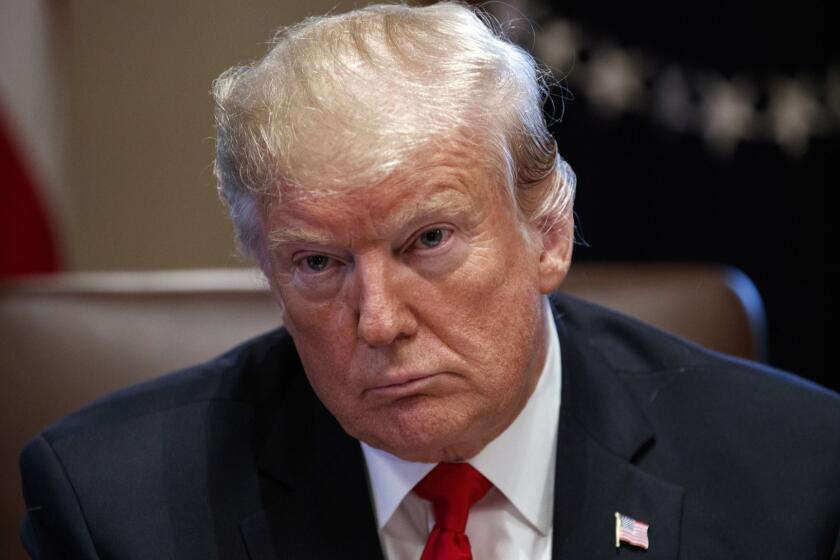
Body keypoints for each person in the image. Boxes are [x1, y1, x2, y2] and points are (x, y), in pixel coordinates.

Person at [19, 2, 839, 559]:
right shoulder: (115, 511)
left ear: (549, 235)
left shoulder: (797, 475)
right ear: (268, 270)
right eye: (317, 263)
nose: (377, 321)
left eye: (429, 240)